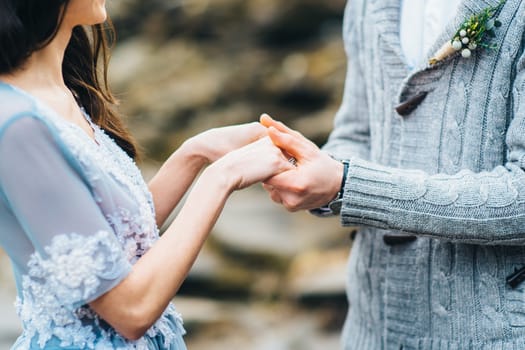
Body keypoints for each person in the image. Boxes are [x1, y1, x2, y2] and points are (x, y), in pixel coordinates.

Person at [0, 0, 293, 348]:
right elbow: (130, 310)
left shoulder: (56, 93)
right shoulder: (18, 124)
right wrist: (221, 178)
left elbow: (113, 240)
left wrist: (195, 153)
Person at [261, 0, 525, 348]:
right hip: (369, 329)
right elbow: (357, 132)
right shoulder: (368, 6)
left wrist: (347, 184)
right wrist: (303, 168)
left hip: (491, 334)